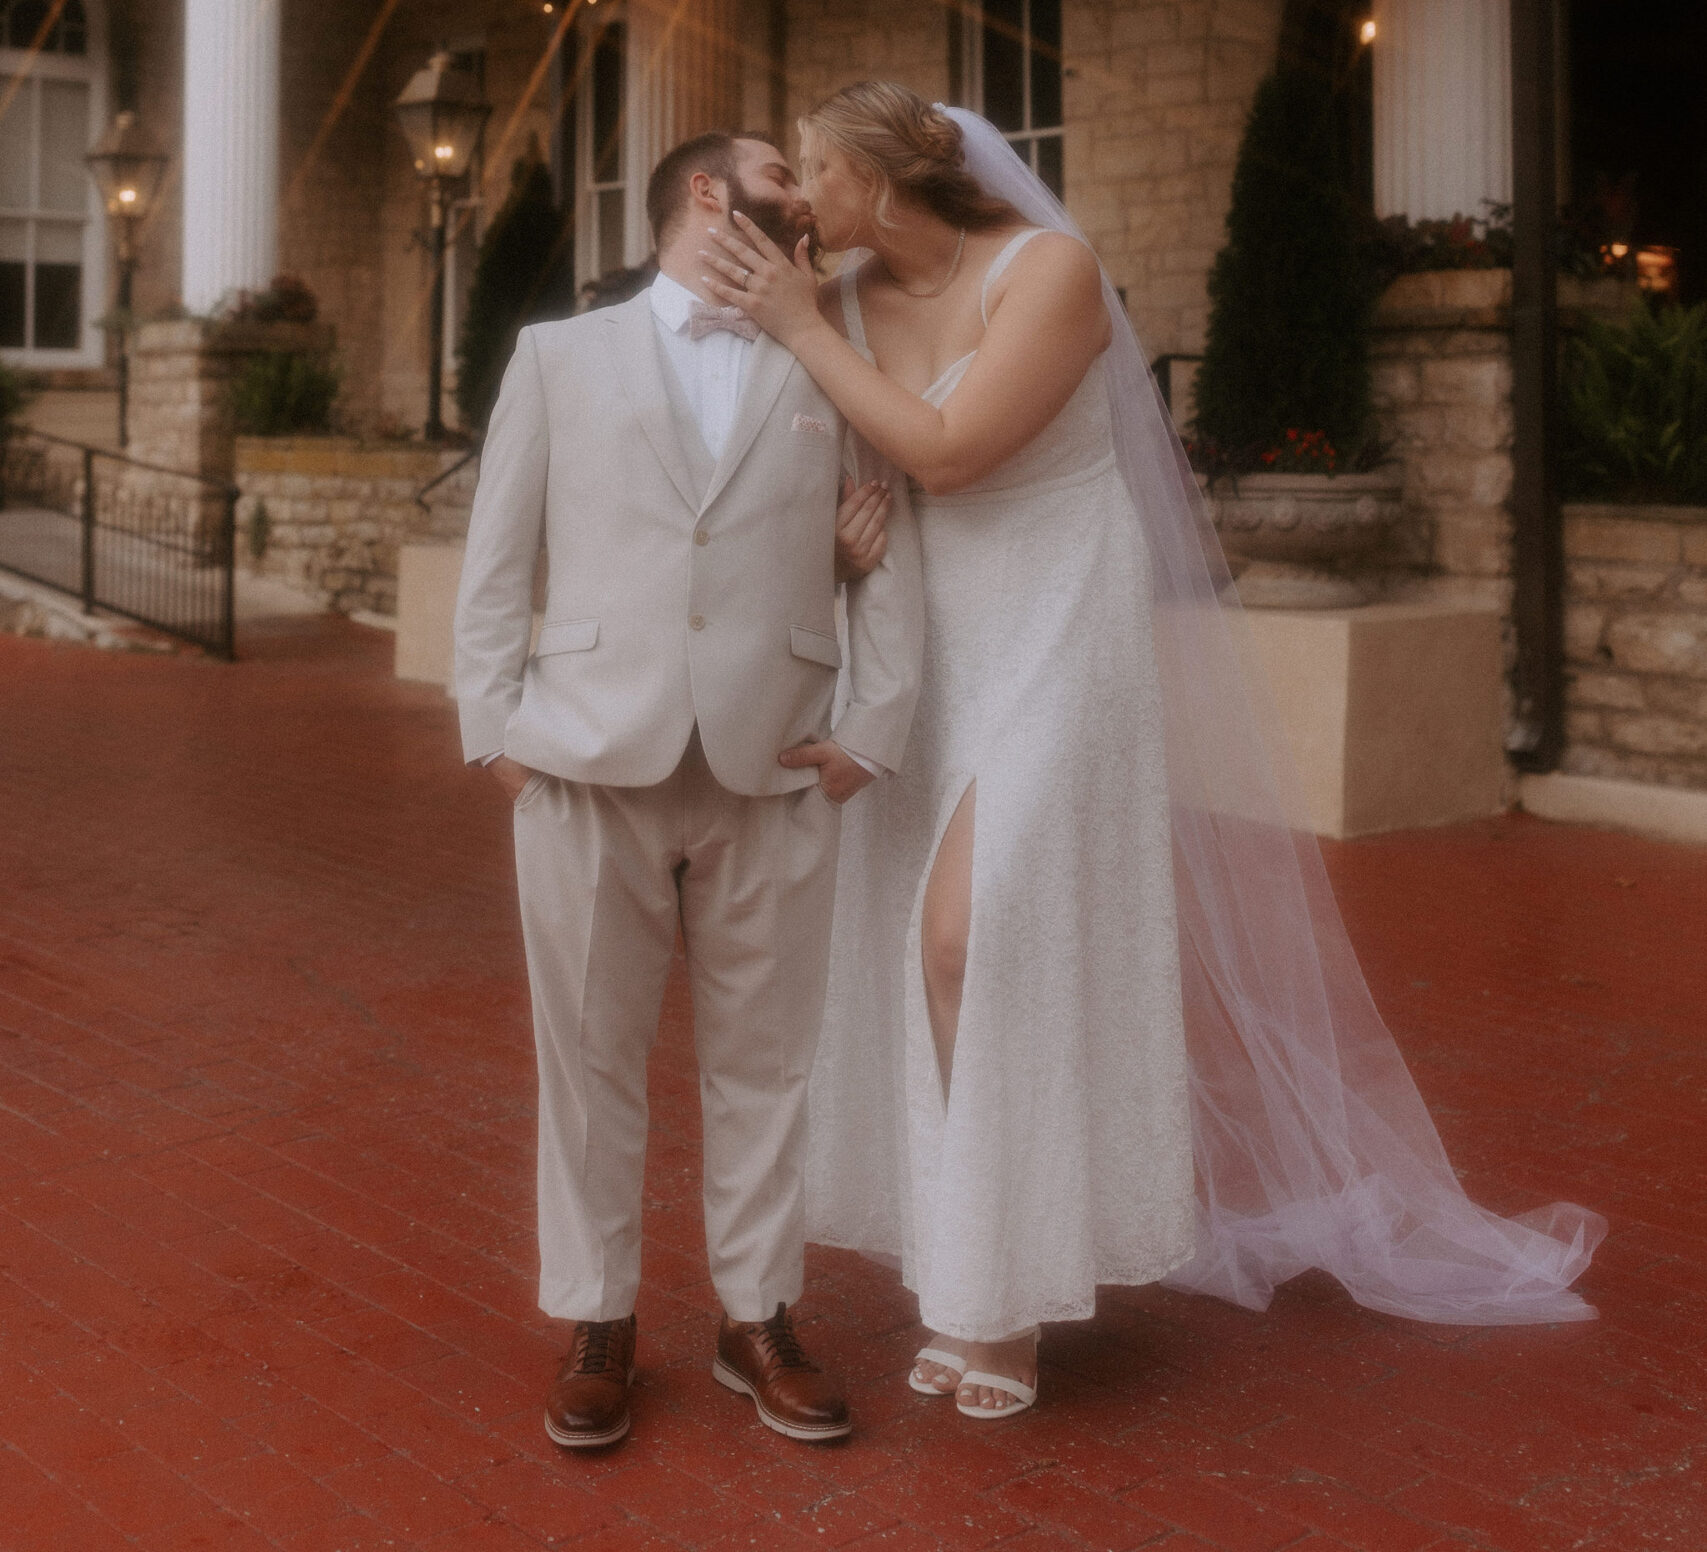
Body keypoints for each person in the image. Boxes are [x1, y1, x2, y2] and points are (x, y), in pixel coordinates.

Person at [700, 84, 1604, 1425]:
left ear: (883, 178)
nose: (800, 203)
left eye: (814, 172)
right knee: (921, 949)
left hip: (1060, 621)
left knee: (975, 932)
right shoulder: (839, 303)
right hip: (927, 645)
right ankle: (979, 1280)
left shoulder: (1048, 272)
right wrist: (830, 540)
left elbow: (948, 452)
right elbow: (834, 473)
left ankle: (1008, 1290)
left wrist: (792, 324)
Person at [453, 129, 922, 1451]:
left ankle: (758, 1318)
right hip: (585, 757)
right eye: (784, 176)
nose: (808, 200)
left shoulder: (831, 364)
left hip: (774, 760)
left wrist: (872, 726)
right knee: (589, 1058)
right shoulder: (561, 356)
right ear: (710, 195)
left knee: (767, 1064)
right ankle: (599, 1318)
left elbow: (885, 551)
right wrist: (495, 726)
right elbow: (499, 551)